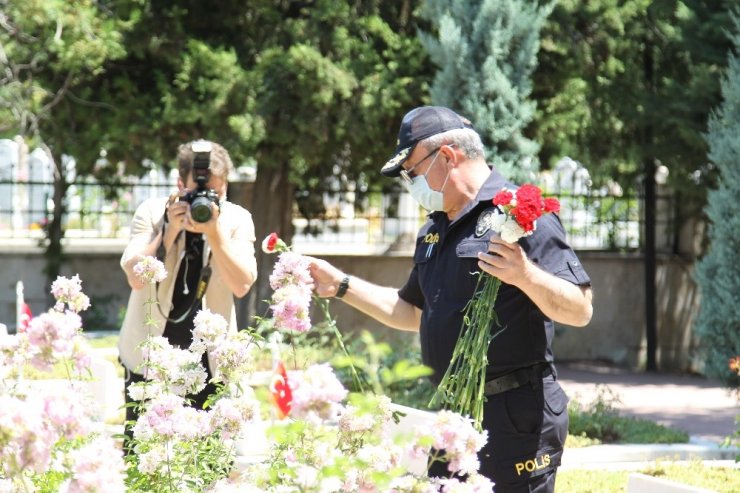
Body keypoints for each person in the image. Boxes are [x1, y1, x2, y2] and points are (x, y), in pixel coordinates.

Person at [308, 106, 593, 492]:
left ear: (446, 156)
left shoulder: (521, 214)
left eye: (412, 170)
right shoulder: (435, 228)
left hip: (515, 420)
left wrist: (525, 274)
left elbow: (579, 309)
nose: (410, 182)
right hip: (452, 417)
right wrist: (341, 285)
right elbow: (413, 312)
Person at [118, 140, 257, 445]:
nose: (207, 203)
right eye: (199, 195)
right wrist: (167, 232)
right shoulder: (154, 212)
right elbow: (134, 277)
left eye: (217, 194)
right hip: (148, 360)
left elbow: (243, 284)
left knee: (207, 463)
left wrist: (216, 236)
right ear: (180, 184)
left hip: (210, 363)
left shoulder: (235, 220)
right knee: (145, 457)